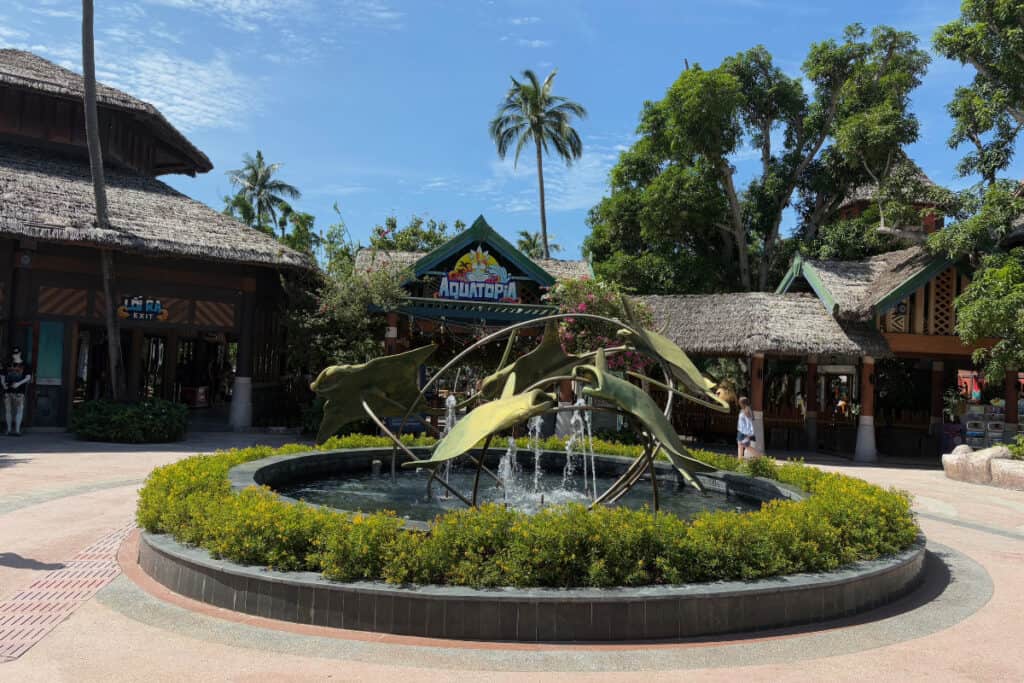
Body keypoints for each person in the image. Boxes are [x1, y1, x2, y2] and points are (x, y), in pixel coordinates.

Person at [2, 347, 33, 436]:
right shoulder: (8, 364)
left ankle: (17, 430)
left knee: (19, 410)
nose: (15, 355)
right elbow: (3, 375)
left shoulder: (26, 365)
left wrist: (19, 383)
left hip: (20, 391)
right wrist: (3, 383)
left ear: (20, 353)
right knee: (8, 410)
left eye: (16, 353)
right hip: (8, 390)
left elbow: (28, 377)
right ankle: (8, 430)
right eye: (14, 354)